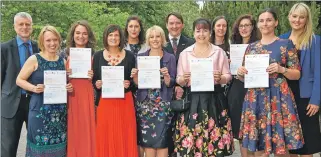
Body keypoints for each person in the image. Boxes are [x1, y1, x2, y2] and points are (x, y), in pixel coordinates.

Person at [237, 8, 304, 156]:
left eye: (268, 20)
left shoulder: (286, 44)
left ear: (276, 22)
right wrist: (240, 73)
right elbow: (244, 77)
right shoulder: (251, 47)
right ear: (258, 25)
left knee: (282, 146)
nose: (265, 23)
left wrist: (281, 69)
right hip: (256, 99)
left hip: (279, 98)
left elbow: (297, 74)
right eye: (261, 20)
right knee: (259, 145)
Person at [174, 18, 234, 156]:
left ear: (210, 32)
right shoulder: (185, 54)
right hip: (192, 100)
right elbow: (179, 79)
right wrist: (184, 79)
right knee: (192, 141)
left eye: (205, 30)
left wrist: (221, 78)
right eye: (198, 31)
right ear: (193, 33)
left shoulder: (219, 52)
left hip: (214, 100)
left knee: (215, 142)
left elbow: (228, 75)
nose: (201, 34)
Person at [16, 25, 73, 156]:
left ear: (59, 41)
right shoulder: (34, 59)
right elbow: (19, 80)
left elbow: (64, 84)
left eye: (55, 40)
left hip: (59, 113)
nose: (52, 43)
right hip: (39, 112)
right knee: (39, 148)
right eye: (48, 40)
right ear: (42, 41)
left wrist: (68, 87)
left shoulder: (62, 61)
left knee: (59, 147)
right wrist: (33, 88)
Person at [279, 3, 321, 157]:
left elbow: (319, 72)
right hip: (284, 97)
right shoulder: (281, 39)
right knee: (290, 144)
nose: (297, 20)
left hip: (306, 98)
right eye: (294, 16)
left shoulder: (315, 41)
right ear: (289, 17)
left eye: (301, 17)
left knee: (306, 147)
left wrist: (316, 100)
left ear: (307, 19)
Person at [131, 25, 176, 157]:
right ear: (148, 40)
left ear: (162, 39)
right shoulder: (141, 57)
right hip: (145, 105)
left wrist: (167, 76)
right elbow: (138, 83)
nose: (155, 39)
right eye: (151, 37)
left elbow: (172, 83)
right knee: (148, 143)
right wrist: (135, 77)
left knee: (162, 142)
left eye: (157, 36)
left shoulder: (170, 58)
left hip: (163, 105)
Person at [93, 24, 138, 157]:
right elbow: (94, 79)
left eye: (116, 35)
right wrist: (97, 84)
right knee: (105, 135)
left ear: (121, 37)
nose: (113, 38)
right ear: (106, 37)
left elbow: (134, 83)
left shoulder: (129, 56)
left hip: (125, 101)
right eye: (110, 35)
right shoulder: (98, 56)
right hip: (105, 103)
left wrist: (128, 83)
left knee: (125, 134)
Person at [1, 12, 39, 157]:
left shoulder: (38, 47)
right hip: (11, 104)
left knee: (36, 145)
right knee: (8, 149)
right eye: (21, 24)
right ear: (15, 27)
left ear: (31, 26)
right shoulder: (4, 48)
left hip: (34, 103)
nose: (24, 27)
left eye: (27, 24)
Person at [227, 14, 261, 157]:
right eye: (241, 25)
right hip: (237, 90)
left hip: (255, 89)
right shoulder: (233, 45)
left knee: (256, 130)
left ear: (253, 27)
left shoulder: (260, 45)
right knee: (241, 132)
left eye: (247, 25)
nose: (244, 28)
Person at [163, 12, 194, 157]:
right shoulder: (160, 43)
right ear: (166, 25)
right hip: (165, 91)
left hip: (187, 92)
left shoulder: (191, 43)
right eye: (171, 23)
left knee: (186, 129)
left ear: (182, 24)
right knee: (166, 129)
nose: (174, 26)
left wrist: (181, 84)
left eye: (177, 23)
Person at [65, 20, 96, 157]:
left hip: (88, 97)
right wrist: (65, 77)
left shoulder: (96, 55)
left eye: (84, 33)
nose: (81, 36)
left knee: (88, 130)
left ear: (88, 36)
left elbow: (100, 81)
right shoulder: (63, 55)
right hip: (71, 97)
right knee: (74, 130)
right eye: (78, 33)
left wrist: (93, 77)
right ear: (73, 35)